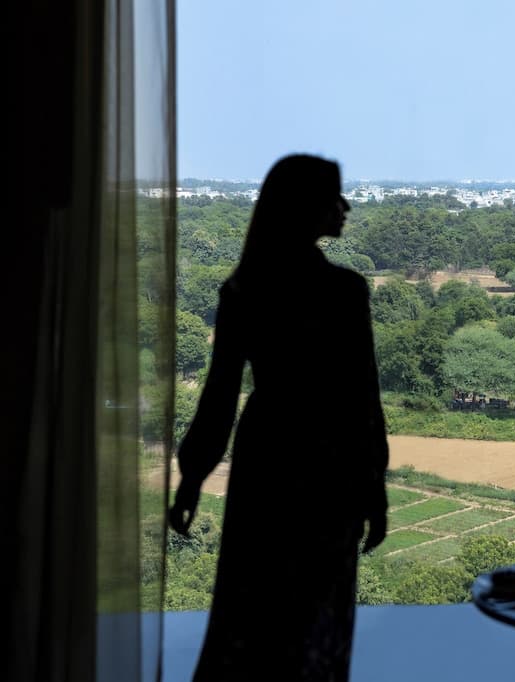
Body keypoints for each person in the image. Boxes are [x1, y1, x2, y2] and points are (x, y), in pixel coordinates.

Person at [169, 154, 389, 681]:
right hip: (329, 464)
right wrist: (374, 490)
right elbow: (363, 402)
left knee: (254, 605)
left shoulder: (244, 289)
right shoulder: (344, 291)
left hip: (266, 457)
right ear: (305, 208)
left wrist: (192, 479)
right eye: (334, 196)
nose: (345, 206)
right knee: (319, 612)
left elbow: (219, 398)